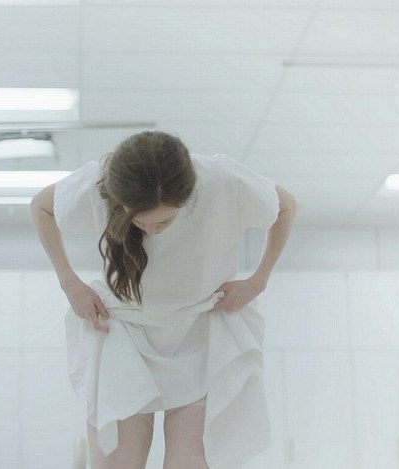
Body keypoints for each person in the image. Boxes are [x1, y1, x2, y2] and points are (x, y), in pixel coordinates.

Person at [30, 131, 296, 469]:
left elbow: (285, 206)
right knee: (116, 462)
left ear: (188, 198)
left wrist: (258, 281)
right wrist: (69, 282)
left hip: (201, 327)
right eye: (139, 220)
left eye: (164, 221)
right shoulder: (97, 184)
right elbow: (41, 206)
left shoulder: (221, 180)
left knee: (189, 460)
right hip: (124, 330)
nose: (152, 230)